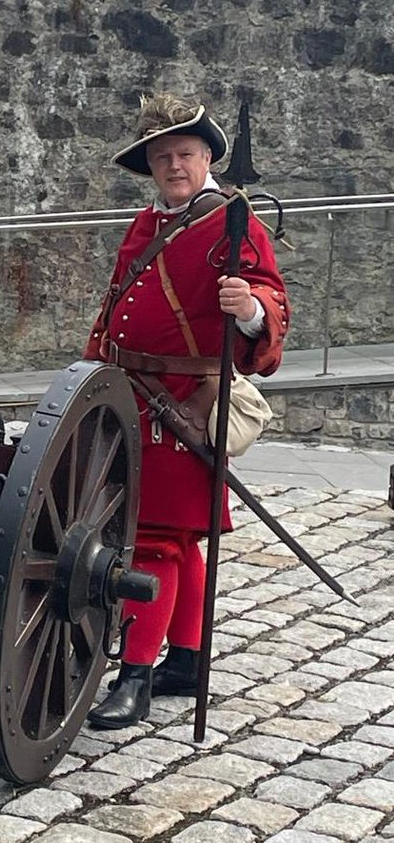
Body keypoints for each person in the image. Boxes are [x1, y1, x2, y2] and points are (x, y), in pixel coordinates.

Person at [83, 93, 290, 729]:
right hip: (130, 395)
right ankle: (188, 660)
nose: (174, 165)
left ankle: (137, 675)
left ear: (206, 158)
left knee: (154, 540)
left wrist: (248, 308)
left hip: (183, 405)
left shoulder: (233, 221)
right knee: (177, 542)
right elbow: (120, 298)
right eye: (163, 156)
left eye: (185, 154)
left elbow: (273, 305)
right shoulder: (147, 222)